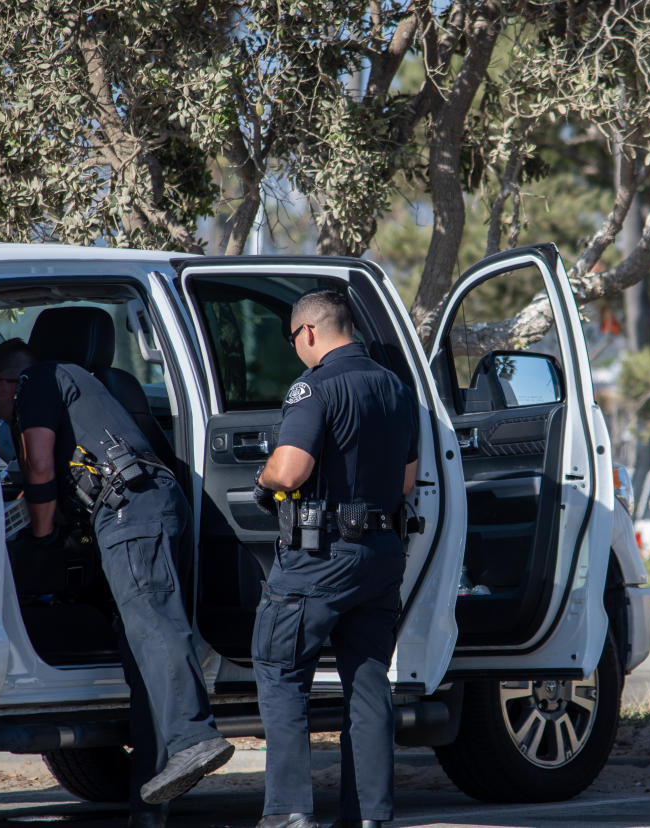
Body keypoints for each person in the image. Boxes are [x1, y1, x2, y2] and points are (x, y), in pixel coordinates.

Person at [0, 338, 233, 826]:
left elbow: (39, 467)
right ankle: (151, 801)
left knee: (152, 624)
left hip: (130, 511)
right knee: (141, 653)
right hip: (143, 506)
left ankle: (195, 736)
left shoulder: (39, 378)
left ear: (1, 382)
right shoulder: (79, 385)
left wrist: (39, 540)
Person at [251, 289, 419, 828]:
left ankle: (288, 812)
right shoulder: (395, 386)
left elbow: (292, 471)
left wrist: (264, 475)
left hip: (320, 556)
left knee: (280, 669)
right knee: (369, 685)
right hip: (381, 555)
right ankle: (370, 817)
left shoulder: (314, 386)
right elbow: (407, 481)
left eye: (295, 341)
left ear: (309, 333)